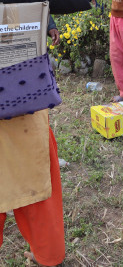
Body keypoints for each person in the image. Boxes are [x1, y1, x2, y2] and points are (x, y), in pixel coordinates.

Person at [0, 16, 65, 266]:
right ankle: (48, 255)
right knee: (36, 182)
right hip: (22, 91)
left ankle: (48, 255)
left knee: (36, 181)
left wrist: (47, 23)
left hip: (23, 93)